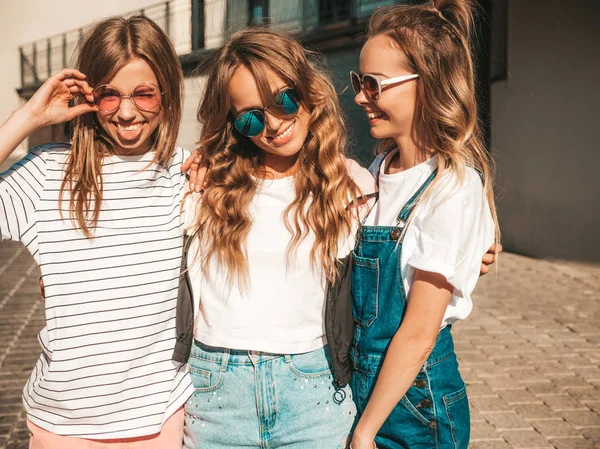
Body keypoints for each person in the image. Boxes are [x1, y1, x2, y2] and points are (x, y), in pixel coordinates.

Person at [0, 16, 194, 448]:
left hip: (159, 421)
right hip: (61, 426)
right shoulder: (48, 174)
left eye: (144, 93)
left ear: (167, 93)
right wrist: (29, 116)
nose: (127, 112)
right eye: (109, 96)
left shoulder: (187, 174)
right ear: (91, 96)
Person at [180, 27, 376, 449]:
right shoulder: (202, 187)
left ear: (308, 91)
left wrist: (481, 242)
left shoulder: (354, 188)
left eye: (283, 100)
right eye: (251, 116)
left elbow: (416, 234)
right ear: (234, 124)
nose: (272, 125)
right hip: (216, 397)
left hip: (314, 393)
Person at [347, 2, 500, 449]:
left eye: (373, 85)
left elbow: (417, 333)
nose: (360, 97)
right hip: (365, 386)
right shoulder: (375, 171)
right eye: (359, 83)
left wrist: (364, 431)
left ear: (426, 85)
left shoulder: (451, 187)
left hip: (415, 403)